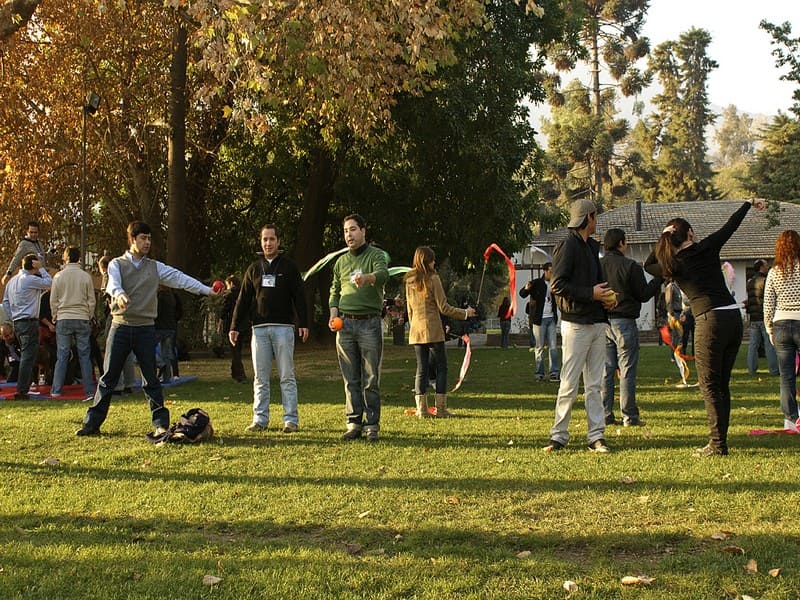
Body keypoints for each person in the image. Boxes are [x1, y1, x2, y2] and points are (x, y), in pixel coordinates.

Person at [645, 198, 765, 457]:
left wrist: (663, 238)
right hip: (733, 318)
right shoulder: (708, 247)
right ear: (690, 233)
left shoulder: (672, 265)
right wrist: (748, 204)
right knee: (722, 384)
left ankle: (718, 444)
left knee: (709, 385)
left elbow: (647, 264)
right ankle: (720, 440)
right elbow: (730, 226)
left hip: (710, 321)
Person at [76, 221, 217, 436]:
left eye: (149, 239)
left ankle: (160, 423)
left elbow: (180, 279)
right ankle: (91, 424)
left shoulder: (155, 267)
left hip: (145, 329)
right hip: (120, 327)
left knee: (151, 379)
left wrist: (207, 290)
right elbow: (113, 283)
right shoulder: (117, 264)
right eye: (143, 238)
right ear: (132, 240)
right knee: (108, 379)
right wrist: (119, 294)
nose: (147, 242)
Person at [545, 199, 615, 453]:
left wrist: (605, 299)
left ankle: (596, 436)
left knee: (596, 384)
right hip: (575, 324)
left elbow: (598, 284)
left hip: (597, 323)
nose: (597, 220)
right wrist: (591, 294)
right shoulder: (567, 246)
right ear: (588, 218)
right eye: (596, 215)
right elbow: (557, 285)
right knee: (569, 382)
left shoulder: (592, 246)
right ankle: (559, 435)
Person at [229, 224, 309, 433]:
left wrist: (304, 323)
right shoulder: (254, 269)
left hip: (284, 328)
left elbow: (299, 296)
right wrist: (234, 326)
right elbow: (243, 300)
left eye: (272, 239)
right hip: (260, 330)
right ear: (260, 242)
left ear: (278, 241)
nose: (268, 243)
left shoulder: (289, 267)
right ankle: (260, 419)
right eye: (264, 239)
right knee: (260, 378)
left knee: (286, 376)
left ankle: (290, 420)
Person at [328, 214, 389, 442]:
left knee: (371, 378)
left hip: (369, 324)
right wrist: (333, 312)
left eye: (353, 229)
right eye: (345, 231)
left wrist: (368, 278)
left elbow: (383, 275)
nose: (349, 235)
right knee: (350, 378)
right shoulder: (341, 262)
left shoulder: (376, 255)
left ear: (363, 231)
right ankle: (354, 423)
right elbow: (334, 290)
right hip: (344, 325)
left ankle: (372, 425)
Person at [600, 228, 661, 427]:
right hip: (625, 320)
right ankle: (629, 415)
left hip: (603, 322)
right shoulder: (630, 266)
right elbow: (643, 294)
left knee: (606, 370)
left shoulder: (597, 266)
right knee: (627, 370)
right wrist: (659, 279)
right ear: (622, 243)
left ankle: (605, 413)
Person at [404, 246, 475, 418]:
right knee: (441, 367)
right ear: (427, 261)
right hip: (433, 329)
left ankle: (422, 410)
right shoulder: (433, 279)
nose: (434, 262)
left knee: (421, 369)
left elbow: (409, 309)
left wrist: (413, 325)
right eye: (433, 259)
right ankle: (441, 409)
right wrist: (465, 313)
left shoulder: (409, 280)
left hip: (417, 330)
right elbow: (444, 307)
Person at [763, 230, 800, 432]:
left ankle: (790, 418)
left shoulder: (774, 272)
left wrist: (769, 329)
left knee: (786, 375)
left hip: (781, 324)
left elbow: (768, 304)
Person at [2, 253, 52, 399]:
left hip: (18, 322)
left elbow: (5, 302)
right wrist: (41, 269)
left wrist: (13, 317)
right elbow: (50, 283)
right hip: (29, 321)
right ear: (34, 265)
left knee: (27, 355)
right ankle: (23, 389)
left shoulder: (12, 282)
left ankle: (26, 385)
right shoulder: (29, 279)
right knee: (28, 356)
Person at [49, 247, 96, 399]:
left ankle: (56, 389)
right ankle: (89, 390)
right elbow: (91, 300)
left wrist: (55, 316)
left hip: (63, 316)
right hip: (82, 316)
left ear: (65, 258)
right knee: (84, 355)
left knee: (62, 355)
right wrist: (89, 315)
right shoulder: (85, 276)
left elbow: (53, 300)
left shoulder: (58, 277)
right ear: (79, 258)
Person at [520, 262, 559, 381]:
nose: (552, 274)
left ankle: (554, 372)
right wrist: (526, 289)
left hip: (551, 318)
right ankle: (539, 373)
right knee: (539, 347)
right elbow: (522, 294)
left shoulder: (555, 283)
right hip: (539, 320)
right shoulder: (536, 283)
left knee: (553, 346)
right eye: (551, 271)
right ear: (545, 271)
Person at [745, 259, 778, 376]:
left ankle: (751, 369)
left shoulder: (750, 282)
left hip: (753, 318)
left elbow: (750, 300)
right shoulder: (765, 281)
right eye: (766, 265)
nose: (768, 267)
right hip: (764, 315)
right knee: (769, 344)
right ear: (761, 268)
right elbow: (769, 298)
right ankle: (774, 370)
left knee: (753, 345)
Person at [2, 221, 48, 285]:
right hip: (31, 276)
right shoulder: (24, 244)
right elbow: (16, 258)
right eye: (31, 232)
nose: (33, 235)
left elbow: (42, 258)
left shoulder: (39, 243)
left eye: (35, 232)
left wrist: (51, 252)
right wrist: (9, 273)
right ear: (27, 232)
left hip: (41, 276)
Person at [222, 275, 247, 383]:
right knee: (238, 350)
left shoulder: (229, 295)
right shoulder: (243, 293)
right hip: (243, 325)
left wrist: (220, 321)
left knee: (234, 351)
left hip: (232, 325)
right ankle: (234, 372)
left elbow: (225, 310)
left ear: (231, 284)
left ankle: (239, 374)